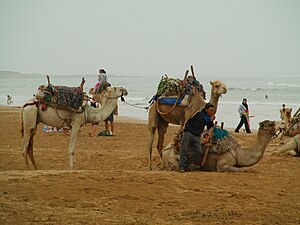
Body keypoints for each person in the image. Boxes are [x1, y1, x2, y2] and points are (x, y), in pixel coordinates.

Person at [179, 103, 216, 172]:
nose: (212, 112)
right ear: (206, 109)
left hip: (196, 136)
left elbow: (209, 127)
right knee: (184, 149)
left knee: (199, 151)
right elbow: (189, 121)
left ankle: (186, 165)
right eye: (211, 110)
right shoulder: (199, 114)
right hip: (188, 133)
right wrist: (187, 130)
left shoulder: (207, 118)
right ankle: (181, 167)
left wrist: (211, 121)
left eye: (213, 111)